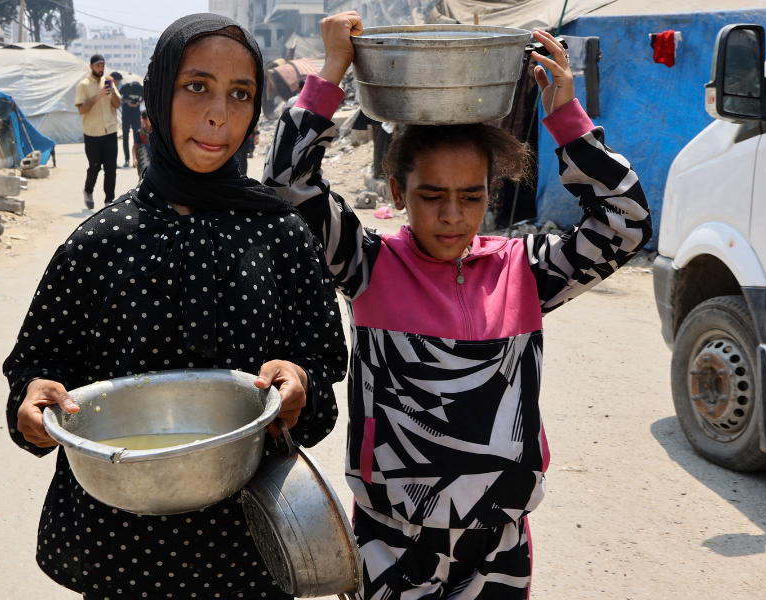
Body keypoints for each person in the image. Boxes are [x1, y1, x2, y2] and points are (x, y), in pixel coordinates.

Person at [263, 16, 653, 599]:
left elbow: (626, 224)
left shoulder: (525, 271)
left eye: (471, 196)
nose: (452, 216)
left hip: (498, 543)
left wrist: (567, 120)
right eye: (432, 196)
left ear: (490, 193)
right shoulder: (368, 265)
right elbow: (287, 184)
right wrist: (332, 72)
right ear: (398, 193)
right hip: (391, 541)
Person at [4, 13, 347, 599]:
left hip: (252, 550)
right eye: (197, 86)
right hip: (123, 552)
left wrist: (300, 387)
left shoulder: (281, 236)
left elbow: (321, 372)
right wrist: (33, 405)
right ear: (159, 97)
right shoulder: (98, 244)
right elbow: (36, 372)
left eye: (240, 94)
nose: (218, 114)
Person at [75, 54, 121, 209]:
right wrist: (98, 95)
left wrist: (112, 90)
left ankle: (109, 201)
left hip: (110, 132)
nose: (101, 69)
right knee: (94, 167)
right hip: (92, 134)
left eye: (102, 66)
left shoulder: (108, 82)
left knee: (111, 168)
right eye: (98, 66)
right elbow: (81, 109)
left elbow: (117, 104)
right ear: (91, 67)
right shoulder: (83, 85)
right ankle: (88, 191)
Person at [118, 69, 145, 169]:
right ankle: (127, 159)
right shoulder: (125, 87)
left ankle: (136, 158)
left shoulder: (140, 88)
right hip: (126, 114)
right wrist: (126, 101)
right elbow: (118, 97)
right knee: (125, 136)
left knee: (136, 136)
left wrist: (138, 102)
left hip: (136, 114)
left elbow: (145, 97)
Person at [132, 109, 151, 179]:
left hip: (154, 163)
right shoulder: (140, 133)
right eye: (149, 118)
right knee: (143, 179)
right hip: (143, 162)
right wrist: (134, 158)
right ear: (144, 119)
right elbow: (135, 147)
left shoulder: (155, 133)